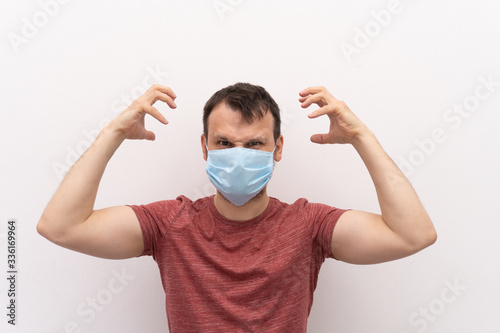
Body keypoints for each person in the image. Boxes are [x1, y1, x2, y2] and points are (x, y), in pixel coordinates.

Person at [37, 83, 437, 332]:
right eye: (225, 144)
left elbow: (412, 235)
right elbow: (61, 226)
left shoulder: (308, 225)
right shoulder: (169, 224)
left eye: (255, 143)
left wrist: (360, 136)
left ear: (278, 148)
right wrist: (114, 133)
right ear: (205, 148)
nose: (239, 156)